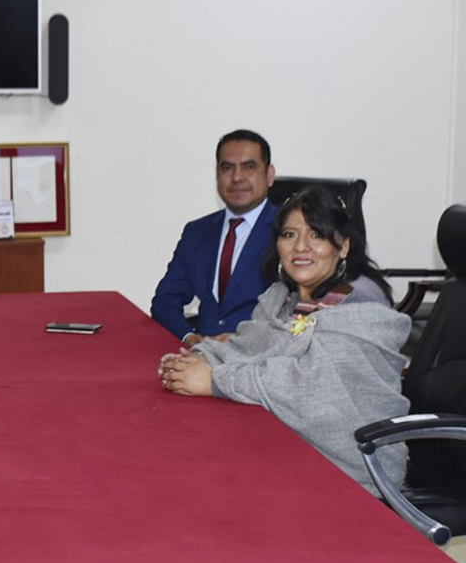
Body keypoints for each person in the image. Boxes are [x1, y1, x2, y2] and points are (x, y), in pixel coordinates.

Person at [156, 186, 410, 496]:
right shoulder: (284, 295)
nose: (301, 246)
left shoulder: (362, 306)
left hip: (353, 471)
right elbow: (249, 345)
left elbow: (308, 389)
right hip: (291, 446)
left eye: (316, 235)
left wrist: (215, 380)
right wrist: (201, 358)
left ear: (343, 246)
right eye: (289, 234)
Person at [151, 129, 279, 345]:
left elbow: (298, 313)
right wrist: (189, 337)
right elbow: (165, 300)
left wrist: (246, 343)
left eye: (249, 167)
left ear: (269, 175)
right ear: (217, 174)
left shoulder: (289, 231)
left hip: (260, 359)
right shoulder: (197, 231)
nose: (237, 178)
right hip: (200, 355)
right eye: (227, 168)